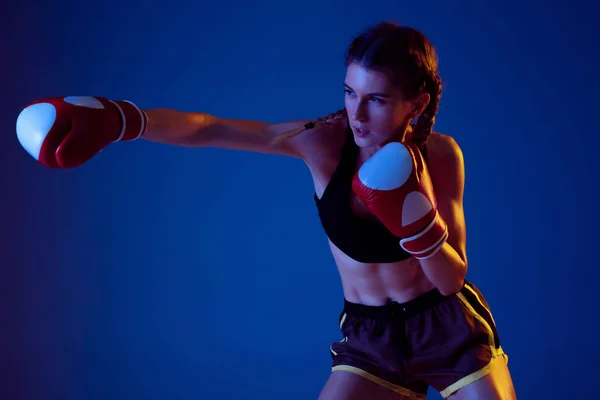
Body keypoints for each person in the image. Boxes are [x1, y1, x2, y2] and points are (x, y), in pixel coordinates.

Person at [15, 21, 516, 400]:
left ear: (417, 102)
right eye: (349, 92)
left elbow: (451, 279)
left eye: (377, 100)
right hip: (370, 338)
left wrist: (419, 225)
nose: (357, 114)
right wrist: (125, 119)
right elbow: (213, 129)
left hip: (446, 327)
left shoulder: (442, 155)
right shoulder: (324, 142)